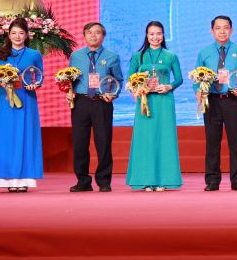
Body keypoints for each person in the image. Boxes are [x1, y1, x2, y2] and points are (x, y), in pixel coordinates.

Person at [195, 15, 237, 191]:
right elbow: (197, 78)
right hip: (212, 100)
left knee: (236, 142)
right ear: (212, 31)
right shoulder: (204, 53)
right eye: (218, 28)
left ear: (231, 30)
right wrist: (199, 90)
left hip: (233, 100)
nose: (222, 31)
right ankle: (212, 180)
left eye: (225, 27)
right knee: (212, 142)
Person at [125, 21, 183, 191]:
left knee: (164, 138)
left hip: (164, 101)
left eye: (158, 33)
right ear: (146, 35)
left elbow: (179, 79)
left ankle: (164, 180)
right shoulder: (138, 56)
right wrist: (139, 88)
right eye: (151, 34)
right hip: (145, 102)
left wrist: (168, 86)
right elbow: (130, 78)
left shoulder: (170, 55)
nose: (155, 37)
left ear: (163, 35)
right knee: (146, 139)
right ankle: (146, 180)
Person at [67, 22, 123, 193]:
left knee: (103, 142)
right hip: (81, 102)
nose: (93, 36)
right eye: (89, 32)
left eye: (97, 33)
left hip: (102, 102)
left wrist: (112, 94)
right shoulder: (76, 56)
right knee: (79, 143)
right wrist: (67, 89)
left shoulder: (112, 56)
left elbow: (118, 80)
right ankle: (83, 180)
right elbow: (70, 78)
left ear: (103, 36)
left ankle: (104, 181)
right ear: (84, 35)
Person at [0, 17, 43, 192]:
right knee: (7, 137)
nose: (17, 36)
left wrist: (35, 84)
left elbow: (39, 76)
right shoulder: (0, 54)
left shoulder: (34, 54)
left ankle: (24, 179)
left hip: (27, 98)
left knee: (26, 136)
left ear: (27, 35)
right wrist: (0, 81)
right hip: (6, 100)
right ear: (9, 34)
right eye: (14, 33)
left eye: (21, 33)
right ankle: (8, 179)